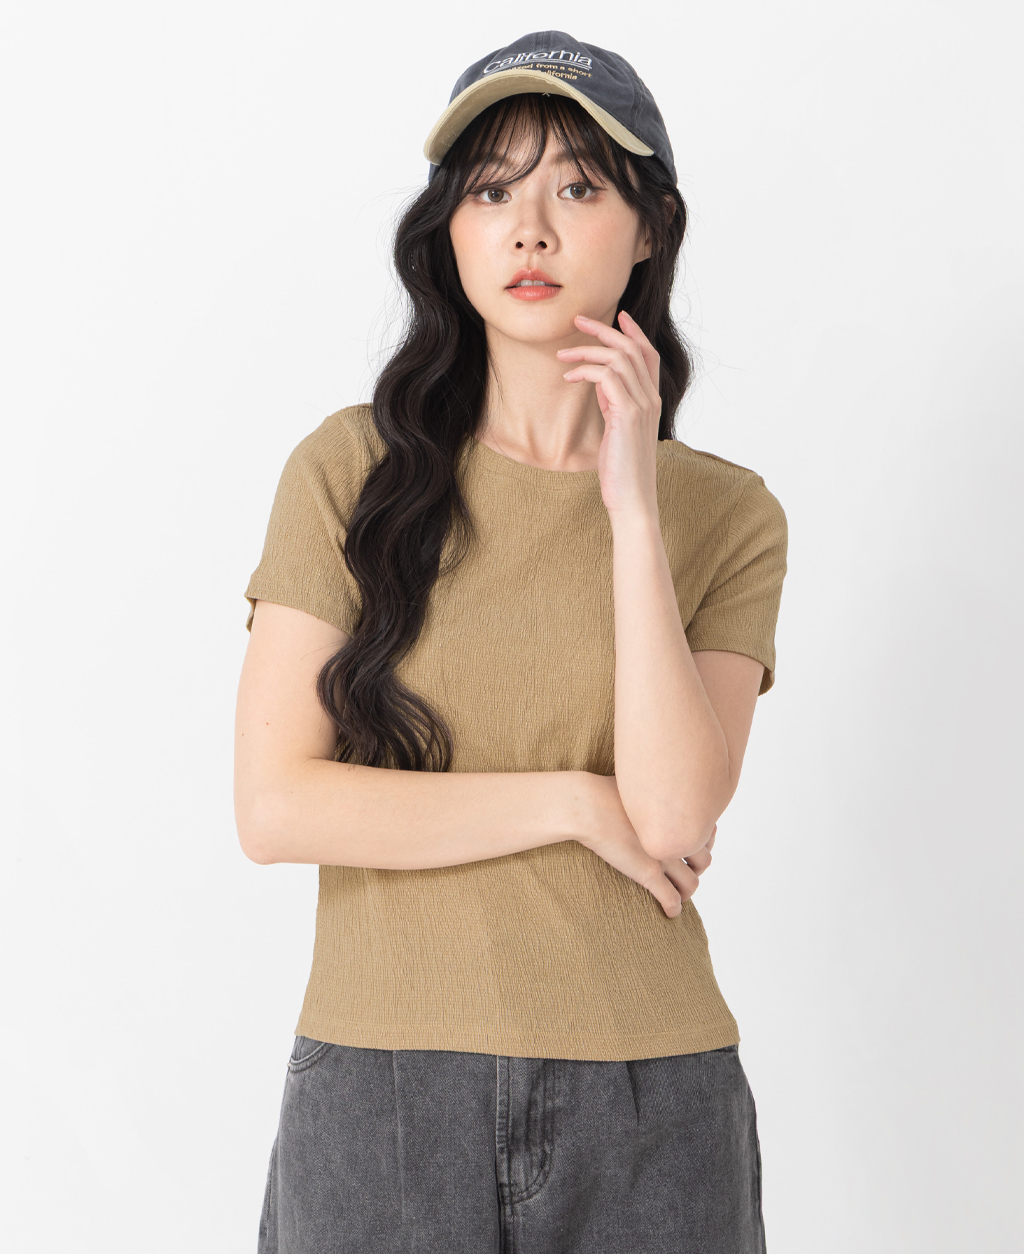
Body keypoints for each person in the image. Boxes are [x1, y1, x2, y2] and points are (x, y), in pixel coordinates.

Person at [235, 29, 787, 1254]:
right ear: (450, 230)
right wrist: (567, 802)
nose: (528, 230)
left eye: (577, 189)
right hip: (381, 1092)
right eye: (491, 191)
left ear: (648, 230)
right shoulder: (348, 473)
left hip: (651, 1095)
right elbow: (274, 808)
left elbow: (672, 820)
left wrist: (633, 511)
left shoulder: (725, 513)